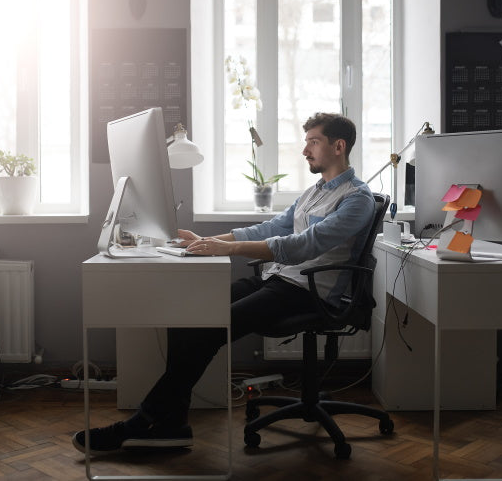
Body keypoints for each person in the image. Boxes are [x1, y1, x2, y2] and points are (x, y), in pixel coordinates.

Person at [73, 111, 377, 453]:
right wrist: (204, 240)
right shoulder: (314, 192)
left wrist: (228, 248)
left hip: (308, 292)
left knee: (206, 332)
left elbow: (303, 245)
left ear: (339, 146)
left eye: (314, 142)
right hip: (277, 280)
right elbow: (270, 229)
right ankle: (173, 424)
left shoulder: (357, 199)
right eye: (306, 142)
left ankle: (140, 423)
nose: (306, 150)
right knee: (188, 318)